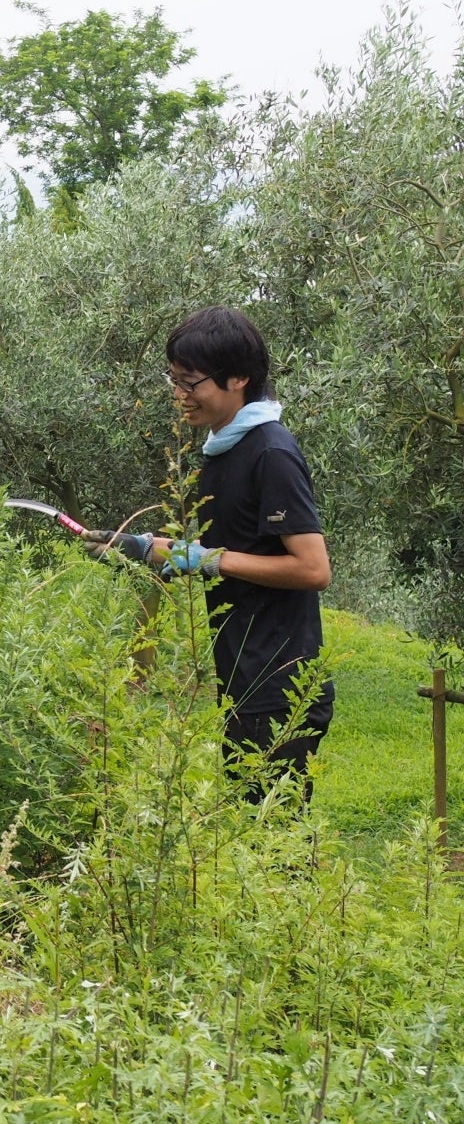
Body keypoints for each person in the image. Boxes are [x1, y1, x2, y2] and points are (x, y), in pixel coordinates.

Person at [85, 307, 334, 803]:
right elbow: (236, 550)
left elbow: (313, 568)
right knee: (253, 836)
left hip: (280, 683)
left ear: (238, 378)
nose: (179, 395)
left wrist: (204, 559)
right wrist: (155, 551)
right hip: (243, 672)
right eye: (173, 379)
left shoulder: (271, 452)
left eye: (190, 382)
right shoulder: (224, 448)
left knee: (271, 845)